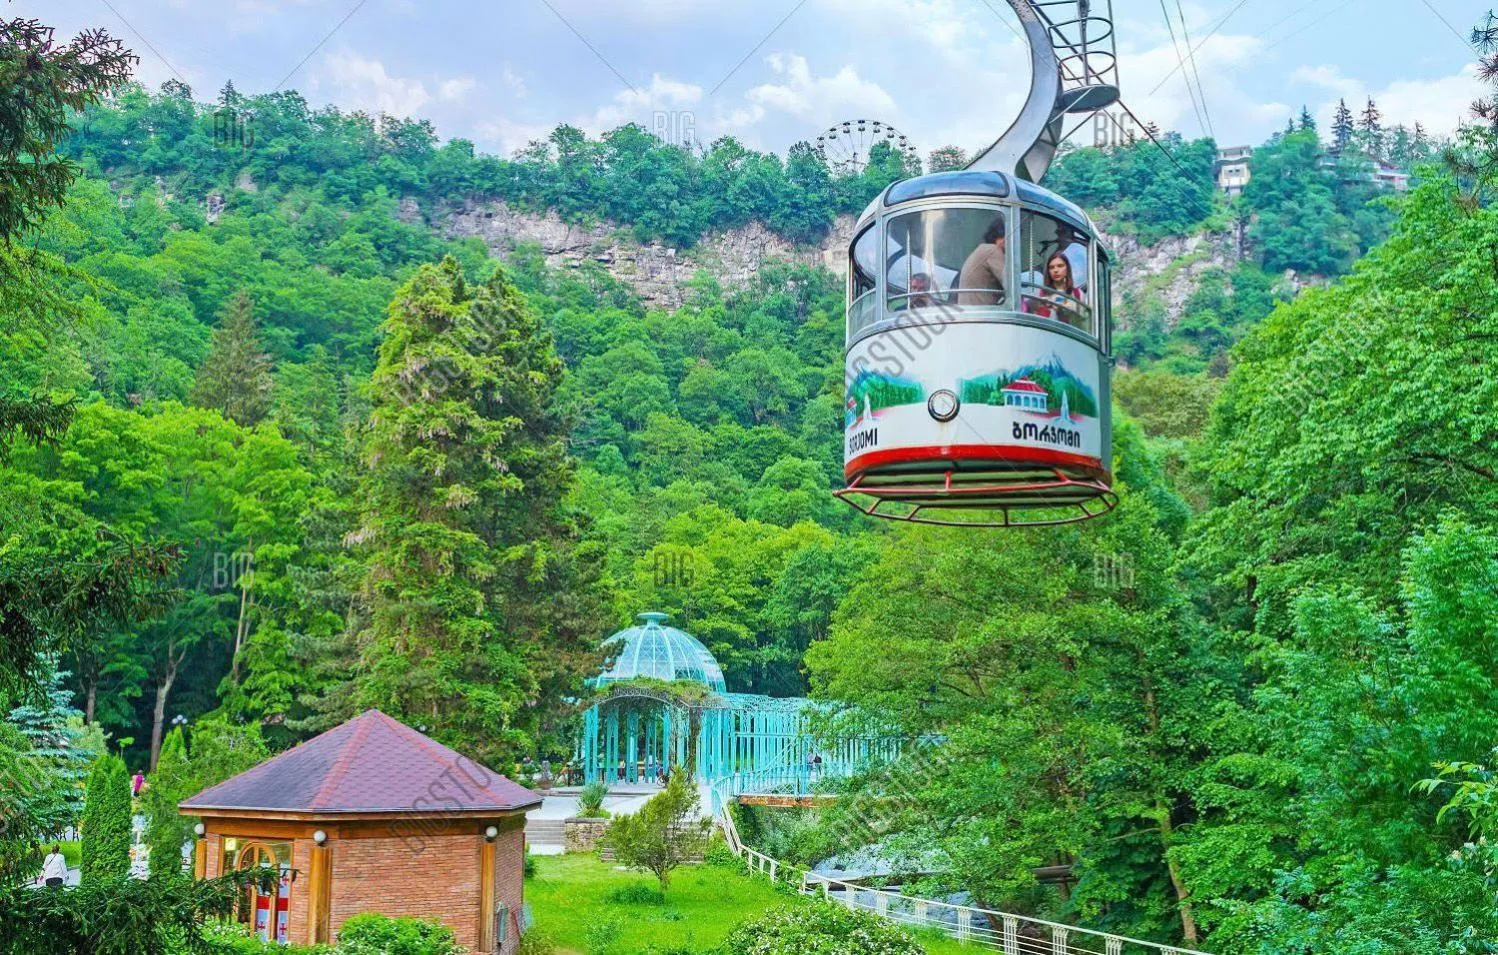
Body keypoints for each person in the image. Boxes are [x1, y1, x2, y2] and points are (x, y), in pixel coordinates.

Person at [957, 218, 1007, 305]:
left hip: (970, 310)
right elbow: (1009, 283)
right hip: (980, 311)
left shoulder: (982, 249)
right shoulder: (993, 250)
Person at [1025, 252, 1083, 322]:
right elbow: (1026, 310)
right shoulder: (1040, 292)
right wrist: (1041, 305)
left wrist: (1060, 301)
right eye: (1051, 267)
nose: (1055, 270)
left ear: (1067, 268)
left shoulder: (1077, 293)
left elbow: (1081, 317)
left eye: (1060, 266)